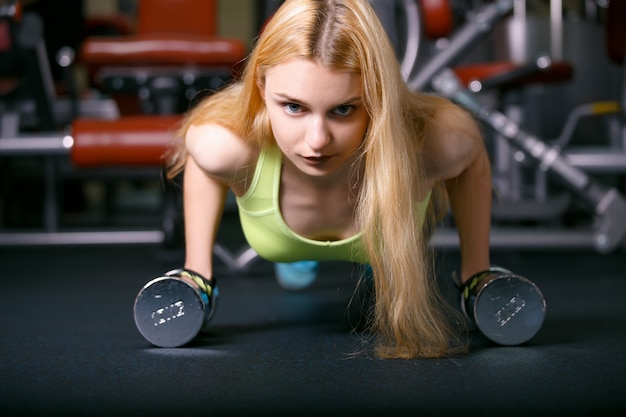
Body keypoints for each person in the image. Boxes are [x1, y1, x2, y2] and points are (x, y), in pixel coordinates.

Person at [166, 0, 492, 359]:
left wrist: (476, 272)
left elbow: (472, 159)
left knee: (382, 260)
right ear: (261, 87)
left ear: (376, 98)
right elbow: (202, 161)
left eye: (343, 109)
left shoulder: (437, 144)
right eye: (294, 107)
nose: (317, 141)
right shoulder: (224, 146)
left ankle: (374, 264)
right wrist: (197, 272)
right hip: (282, 244)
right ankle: (301, 259)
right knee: (296, 274)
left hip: (381, 241)